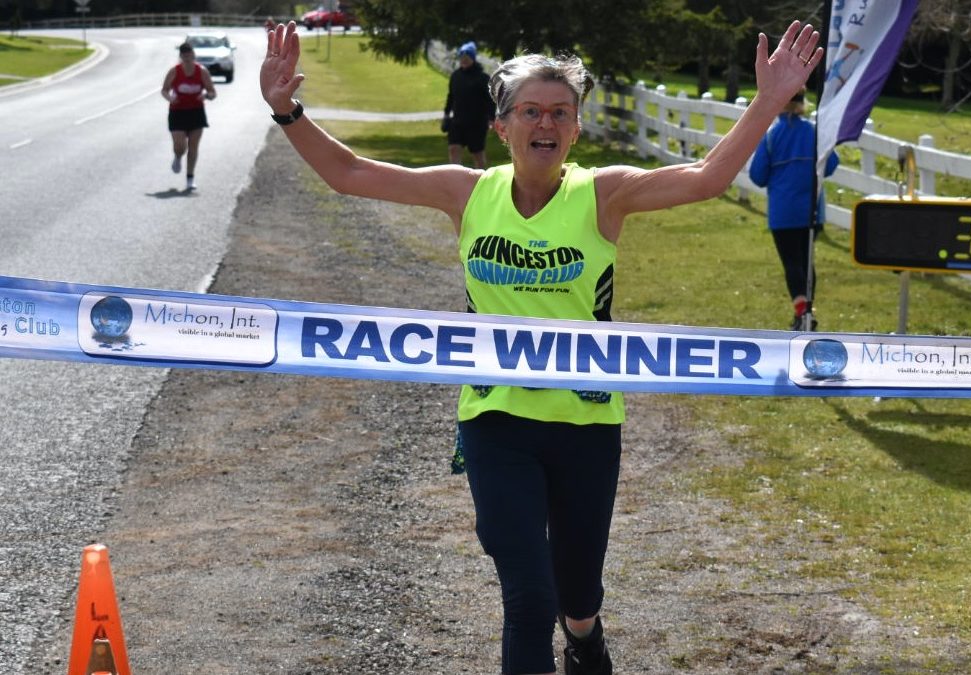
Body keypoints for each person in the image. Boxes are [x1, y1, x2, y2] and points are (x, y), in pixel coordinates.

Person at [260, 19, 821, 675]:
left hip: (585, 421)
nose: (544, 123)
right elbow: (350, 173)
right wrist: (287, 111)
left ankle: (585, 638)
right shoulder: (466, 192)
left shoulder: (602, 193)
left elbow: (703, 177)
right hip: (496, 420)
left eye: (559, 112)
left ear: (576, 129)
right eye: (529, 110)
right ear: (502, 127)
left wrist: (767, 101)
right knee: (528, 595)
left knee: (575, 597)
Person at [749, 88, 839, 331]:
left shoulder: (771, 135)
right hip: (811, 210)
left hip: (783, 211)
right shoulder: (814, 132)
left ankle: (802, 313)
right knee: (807, 262)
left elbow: (757, 175)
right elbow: (831, 164)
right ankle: (807, 311)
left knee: (792, 262)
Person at [162, 42, 217, 191]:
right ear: (180, 57)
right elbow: (164, 90)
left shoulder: (202, 71)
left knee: (193, 147)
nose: (187, 58)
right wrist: (170, 98)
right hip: (177, 112)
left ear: (194, 55)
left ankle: (190, 178)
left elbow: (213, 92)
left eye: (189, 55)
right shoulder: (174, 71)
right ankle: (178, 156)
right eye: (184, 55)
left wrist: (206, 95)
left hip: (196, 112)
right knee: (180, 146)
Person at [442, 41, 495, 169]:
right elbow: (451, 96)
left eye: (467, 58)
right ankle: (455, 179)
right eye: (462, 58)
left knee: (477, 154)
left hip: (477, 123)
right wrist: (446, 113)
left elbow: (490, 100)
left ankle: (481, 180)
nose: (464, 60)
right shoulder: (455, 76)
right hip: (458, 121)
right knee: (453, 148)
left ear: (473, 58)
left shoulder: (483, 78)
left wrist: (492, 118)